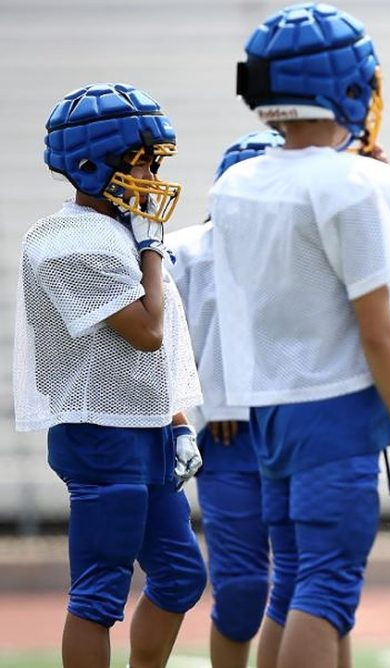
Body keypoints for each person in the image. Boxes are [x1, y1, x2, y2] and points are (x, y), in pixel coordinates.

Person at [212, 4, 390, 667]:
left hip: (273, 409)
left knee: (294, 581)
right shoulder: (348, 186)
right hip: (335, 411)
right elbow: (378, 333)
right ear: (342, 81)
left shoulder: (237, 184)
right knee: (329, 586)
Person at [13, 82, 206, 668]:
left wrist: (176, 421)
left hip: (144, 427)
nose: (151, 175)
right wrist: (151, 250)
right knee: (99, 594)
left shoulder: (120, 231)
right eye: (141, 161)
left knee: (179, 577)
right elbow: (146, 329)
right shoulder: (65, 241)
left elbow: (157, 354)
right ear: (92, 164)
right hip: (99, 431)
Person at [170, 129, 285, 668]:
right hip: (228, 439)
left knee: (305, 583)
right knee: (241, 589)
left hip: (298, 429)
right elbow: (163, 346)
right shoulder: (188, 250)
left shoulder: (306, 249)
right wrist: (213, 403)